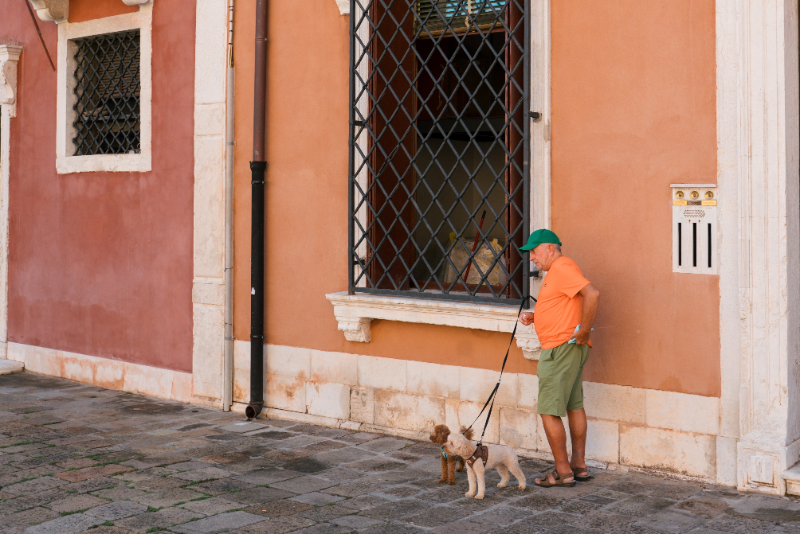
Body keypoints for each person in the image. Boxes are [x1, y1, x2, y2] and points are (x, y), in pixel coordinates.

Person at [519, 229, 599, 487]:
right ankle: (579, 465)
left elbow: (592, 294)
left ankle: (563, 472)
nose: (532, 257)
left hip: (559, 349)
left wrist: (585, 329)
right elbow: (563, 304)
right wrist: (537, 316)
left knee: (548, 410)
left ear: (550, 248)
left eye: (534, 250)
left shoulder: (562, 267)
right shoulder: (558, 271)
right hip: (571, 347)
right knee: (574, 405)